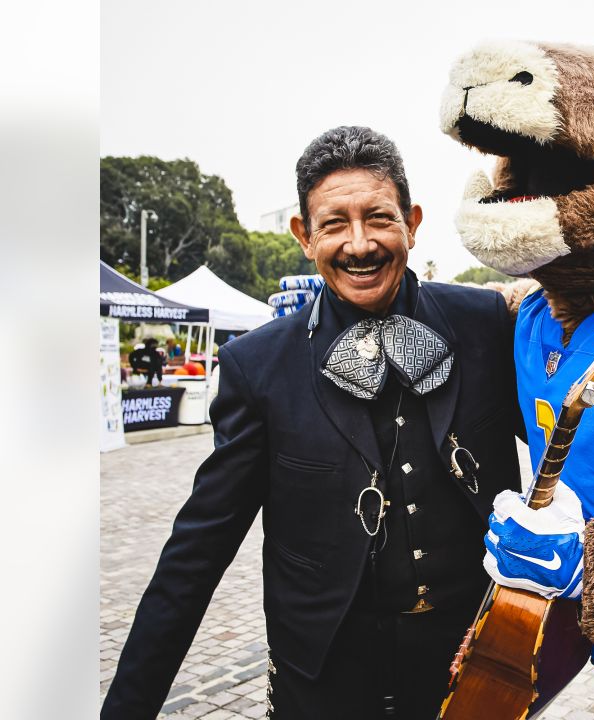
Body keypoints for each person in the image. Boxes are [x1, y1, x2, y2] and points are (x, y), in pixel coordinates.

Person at [102, 126, 523, 719]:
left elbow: (582, 446)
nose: (359, 244)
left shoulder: (486, 323)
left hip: (478, 666)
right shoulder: (258, 365)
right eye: (333, 224)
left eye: (378, 218)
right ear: (304, 236)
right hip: (322, 680)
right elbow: (196, 553)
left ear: (413, 223)